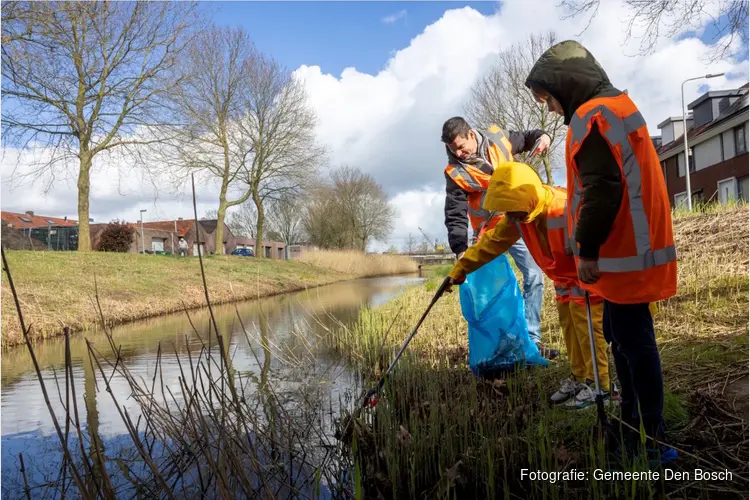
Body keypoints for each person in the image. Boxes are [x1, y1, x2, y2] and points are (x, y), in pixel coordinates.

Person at [524, 40, 678, 461]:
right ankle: (633, 426)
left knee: (633, 344)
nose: (550, 108)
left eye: (547, 98)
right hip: (629, 249)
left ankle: (651, 439)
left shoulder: (591, 117)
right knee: (620, 337)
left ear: (565, 85)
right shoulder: (615, 107)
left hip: (620, 251)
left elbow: (603, 190)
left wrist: (586, 250)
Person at [446, 161, 611, 409]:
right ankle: (580, 377)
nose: (510, 217)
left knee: (589, 331)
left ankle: (602, 388)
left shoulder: (562, 207)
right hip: (565, 284)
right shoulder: (520, 217)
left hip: (589, 283)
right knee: (570, 328)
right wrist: (460, 270)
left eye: (512, 210)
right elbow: (490, 244)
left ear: (525, 200)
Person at [441, 116, 558, 359]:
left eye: (462, 147)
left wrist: (543, 137)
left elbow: (527, 137)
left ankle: (531, 340)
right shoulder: (455, 173)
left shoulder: (498, 138)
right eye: (453, 150)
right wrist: (461, 249)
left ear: (471, 135)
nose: (459, 153)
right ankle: (495, 343)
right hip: (488, 232)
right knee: (485, 290)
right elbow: (455, 212)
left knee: (535, 275)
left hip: (517, 223)